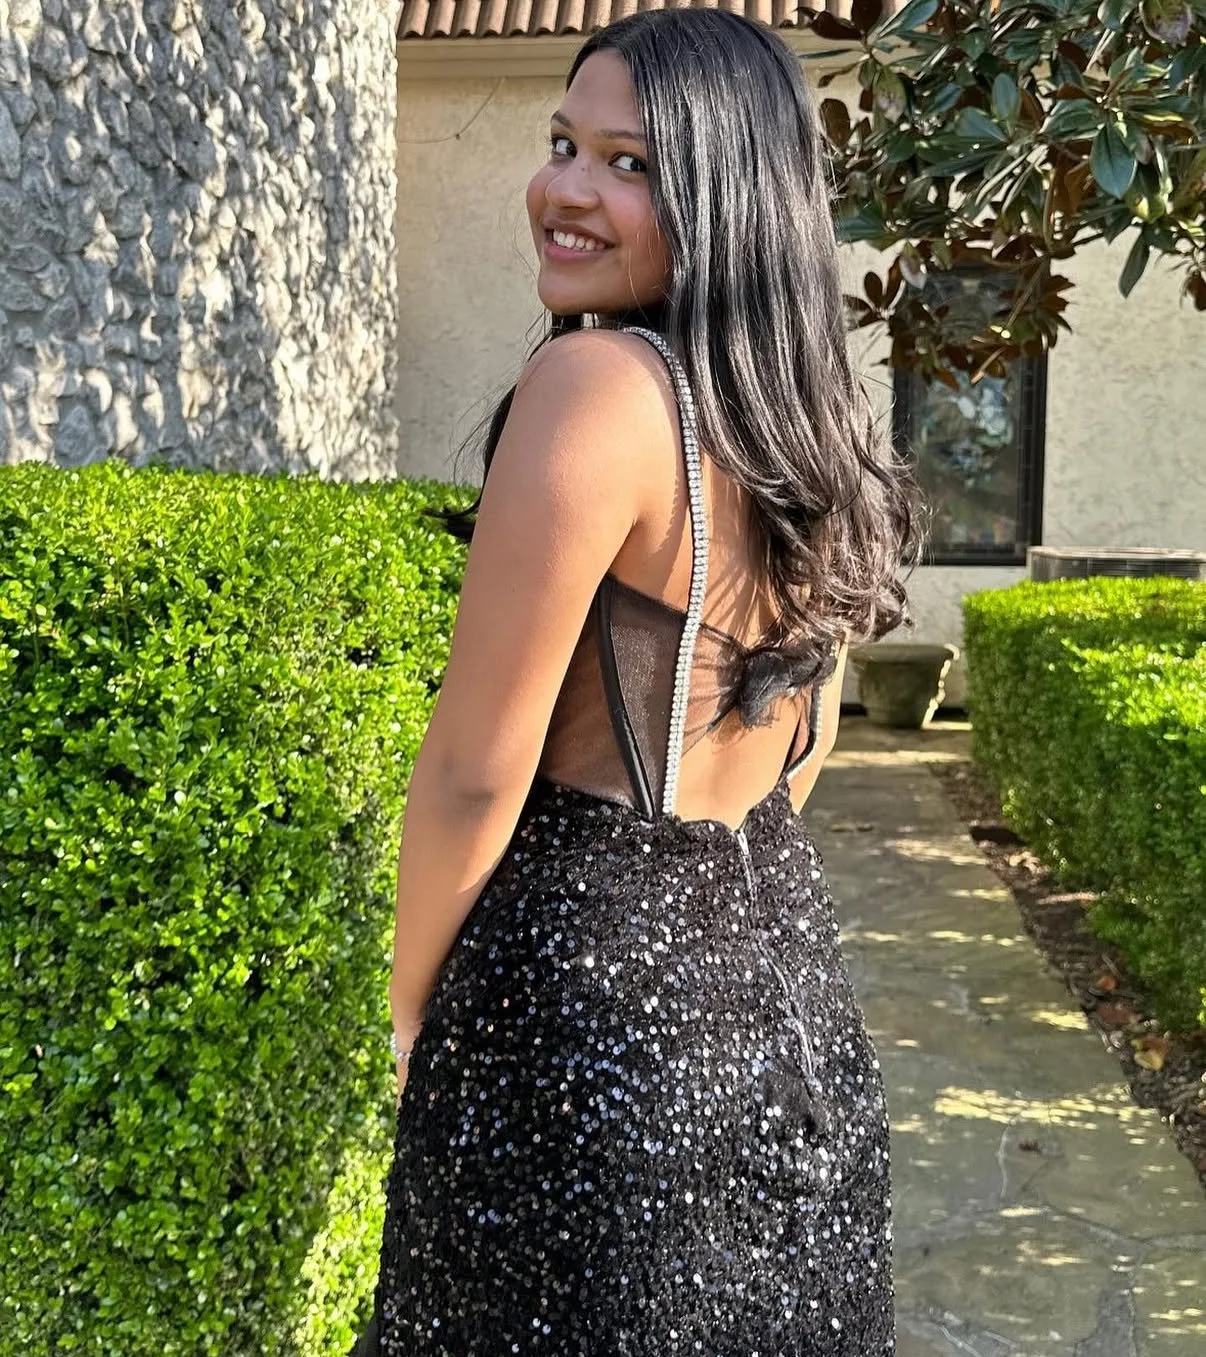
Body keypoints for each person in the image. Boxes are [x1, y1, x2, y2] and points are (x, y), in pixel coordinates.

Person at [359, 9, 914, 1354]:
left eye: (629, 164)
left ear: (725, 195)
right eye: (563, 145)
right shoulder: (811, 427)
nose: (565, 189)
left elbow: (475, 771)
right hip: (783, 996)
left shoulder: (596, 386)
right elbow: (800, 752)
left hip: (582, 1010)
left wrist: (409, 1010)